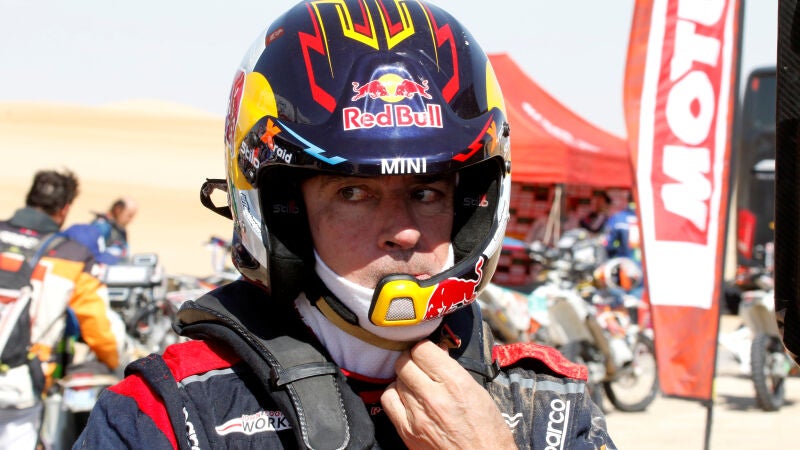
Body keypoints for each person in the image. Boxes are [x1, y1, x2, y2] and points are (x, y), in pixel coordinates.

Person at [76, 2, 616, 448]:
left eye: (426, 192)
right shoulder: (169, 414)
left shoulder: (550, 408)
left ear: (472, 206)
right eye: (354, 193)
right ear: (283, 210)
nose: (404, 232)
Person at [0, 169, 124, 449]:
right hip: (19, 386)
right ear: (65, 208)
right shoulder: (73, 255)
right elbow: (98, 325)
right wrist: (115, 362)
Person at [89, 197, 137, 262]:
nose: (131, 220)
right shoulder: (102, 226)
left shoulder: (119, 229)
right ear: (118, 209)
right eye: (129, 216)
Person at [605, 192, 641, 263]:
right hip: (648, 265)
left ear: (627, 200)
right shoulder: (652, 220)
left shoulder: (617, 218)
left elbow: (608, 244)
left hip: (624, 263)